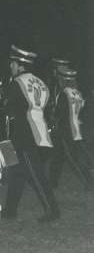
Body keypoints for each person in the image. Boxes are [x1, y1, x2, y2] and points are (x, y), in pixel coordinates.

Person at [2, 45, 60, 222]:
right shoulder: (41, 83)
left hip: (24, 136)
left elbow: (9, 108)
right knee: (18, 173)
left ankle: (52, 210)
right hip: (41, 133)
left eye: (12, 64)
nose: (10, 67)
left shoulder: (16, 83)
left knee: (36, 175)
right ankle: (10, 210)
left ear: (20, 65)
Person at [47, 60, 94, 190]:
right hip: (76, 129)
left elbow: (59, 114)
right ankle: (52, 182)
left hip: (65, 130)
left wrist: (52, 118)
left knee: (72, 159)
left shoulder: (64, 94)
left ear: (62, 79)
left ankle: (89, 181)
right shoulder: (78, 93)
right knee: (60, 156)